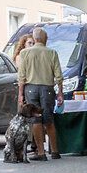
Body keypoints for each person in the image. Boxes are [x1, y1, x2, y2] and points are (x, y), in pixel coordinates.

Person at [16, 26, 64, 161]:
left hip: (30, 89)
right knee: (49, 119)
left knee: (35, 119)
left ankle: (41, 153)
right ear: (45, 39)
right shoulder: (52, 53)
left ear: (35, 38)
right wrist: (60, 92)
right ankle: (55, 151)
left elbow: (22, 76)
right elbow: (58, 75)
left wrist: (20, 94)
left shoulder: (25, 53)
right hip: (47, 89)